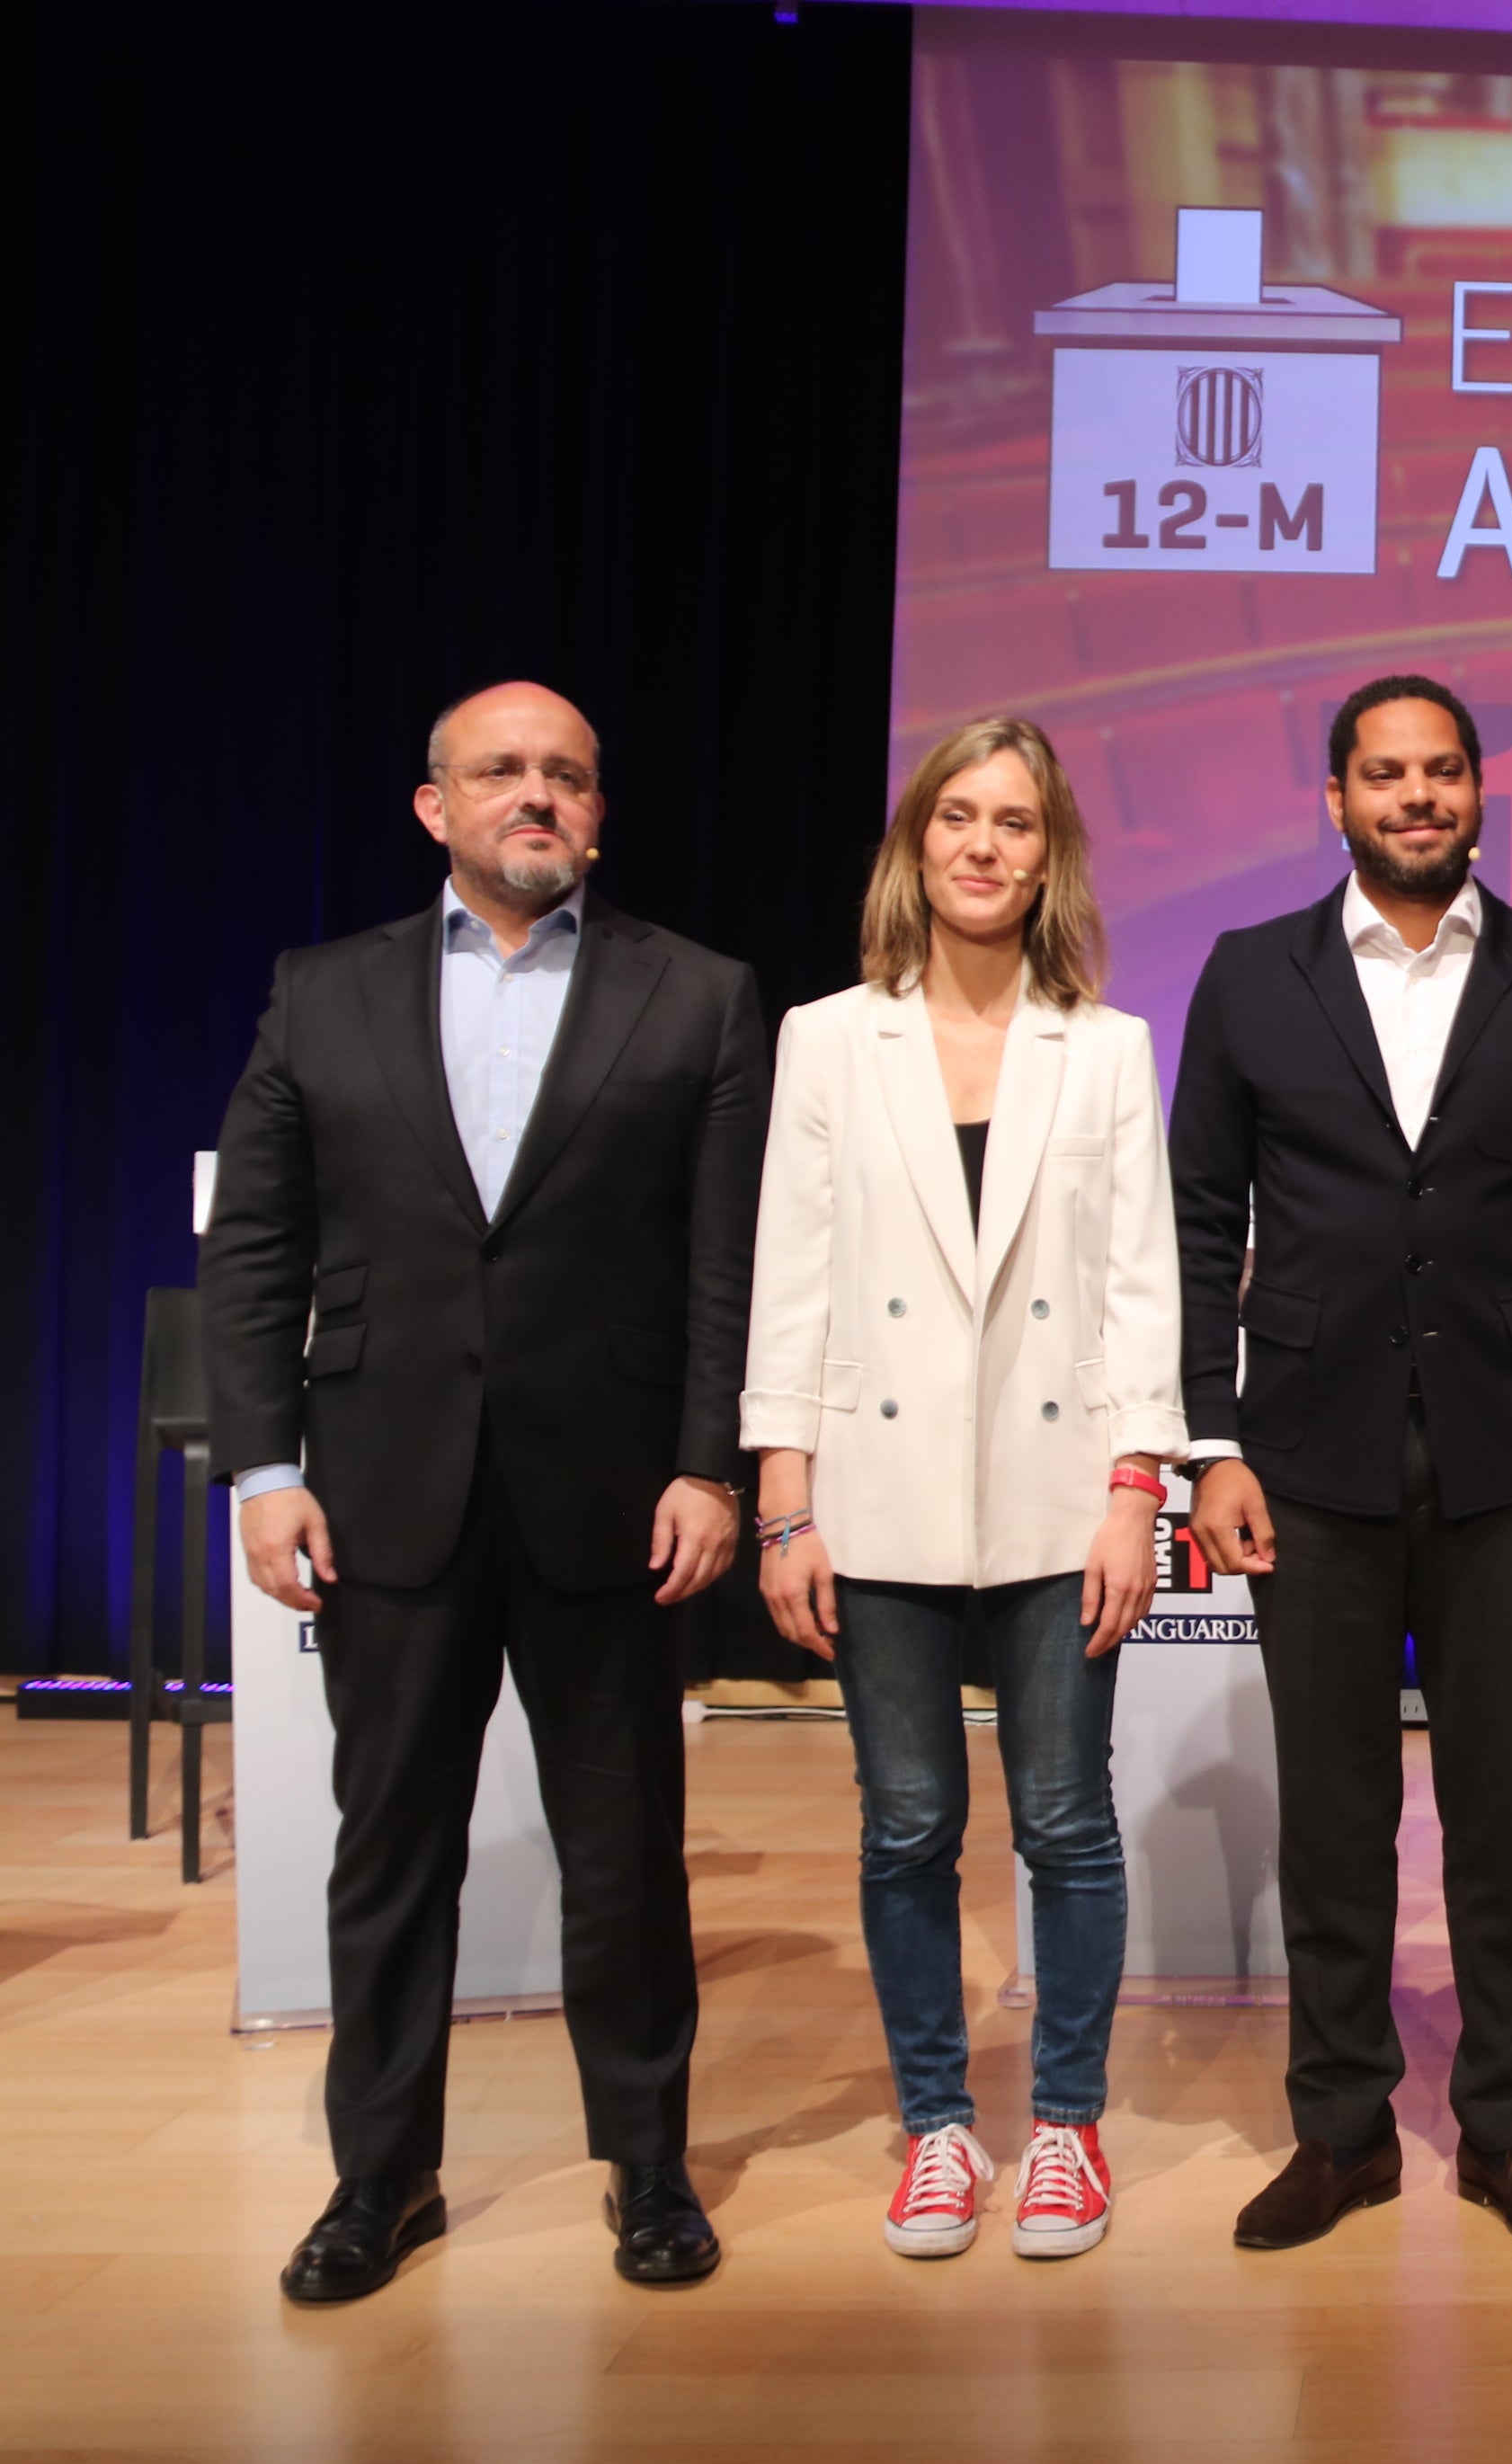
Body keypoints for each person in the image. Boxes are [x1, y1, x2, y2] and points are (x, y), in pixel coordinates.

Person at [202, 680, 763, 2301]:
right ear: (432, 806)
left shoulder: (700, 996)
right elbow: (259, 1249)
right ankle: (380, 2179)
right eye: (502, 770)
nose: (538, 794)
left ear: (600, 814)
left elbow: (725, 1266)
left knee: (628, 1857)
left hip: (617, 1495)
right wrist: (264, 1467)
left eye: (568, 775)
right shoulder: (322, 994)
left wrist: (705, 1461)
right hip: (385, 1491)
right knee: (387, 1855)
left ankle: (648, 2173)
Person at [1169, 673, 1512, 2252]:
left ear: (1480, 790)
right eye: (1385, 775)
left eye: (1441, 773)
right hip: (1304, 1453)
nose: (1416, 797)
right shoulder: (1248, 977)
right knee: (1336, 1810)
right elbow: (1199, 1215)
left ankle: (1507, 2131)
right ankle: (1344, 2129)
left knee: (1507, 1809)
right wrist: (1209, 1438)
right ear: (1336, 800)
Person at [740, 716, 1181, 2260]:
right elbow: (789, 1278)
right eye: (958, 819)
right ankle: (937, 2129)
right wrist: (784, 1499)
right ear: (914, 846)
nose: (985, 848)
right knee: (907, 1828)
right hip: (882, 1491)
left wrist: (1139, 1490)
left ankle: (1065, 2129)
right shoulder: (825, 1036)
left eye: (1016, 823)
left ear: (1050, 852)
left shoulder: (1107, 1047)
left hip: (1065, 1496)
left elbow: (1140, 1290)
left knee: (1066, 1825)